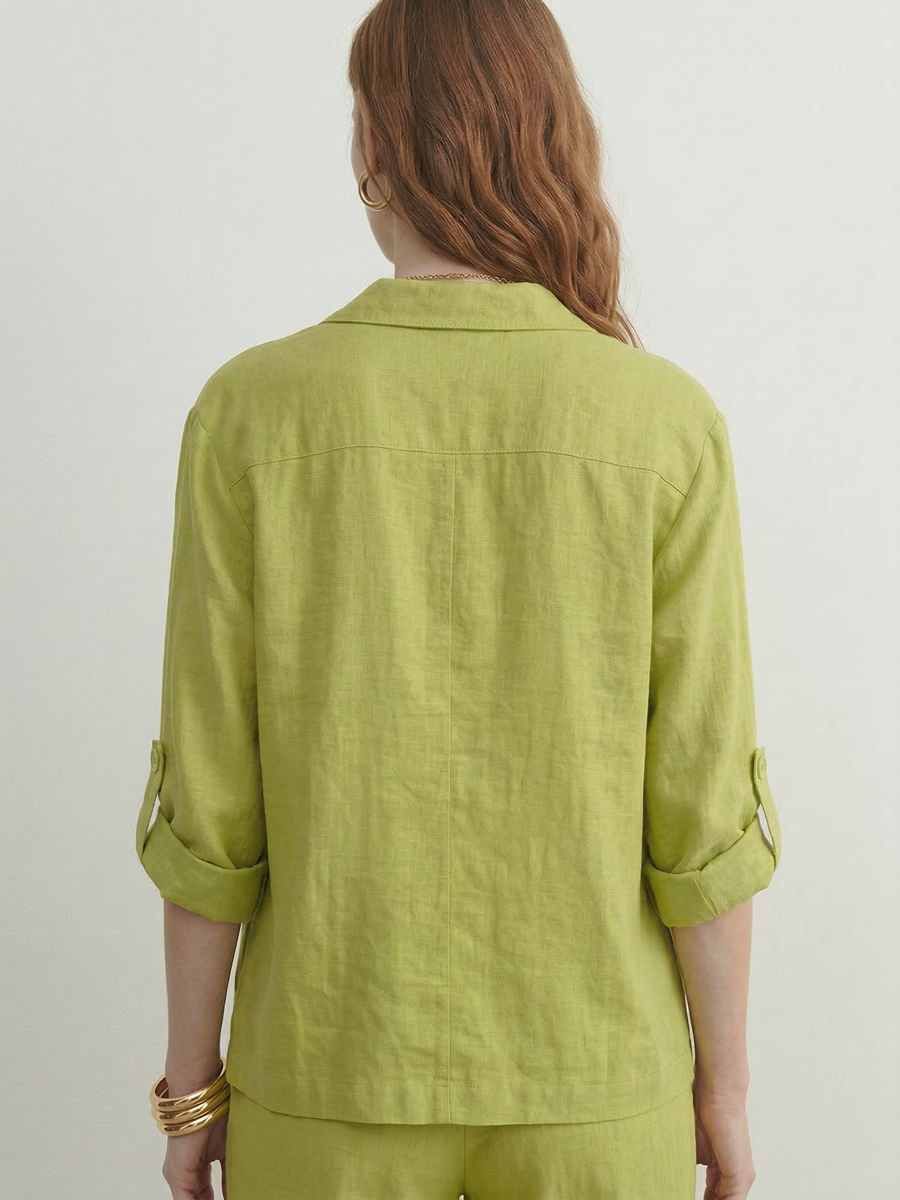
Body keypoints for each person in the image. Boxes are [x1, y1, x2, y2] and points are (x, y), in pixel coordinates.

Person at [135, 1, 783, 1197]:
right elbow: (700, 815)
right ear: (547, 136)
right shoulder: (663, 424)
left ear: (374, 144)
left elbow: (211, 812)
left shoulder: (249, 415)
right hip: (598, 1095)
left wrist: (192, 1095)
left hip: (323, 1085)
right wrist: (726, 1093)